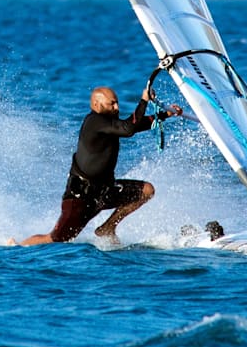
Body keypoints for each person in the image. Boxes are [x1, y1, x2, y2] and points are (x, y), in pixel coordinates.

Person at [15, 84, 181, 246]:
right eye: (111, 104)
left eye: (117, 103)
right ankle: (16, 247)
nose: (116, 107)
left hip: (105, 191)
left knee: (146, 191)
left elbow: (133, 126)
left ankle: (108, 228)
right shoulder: (94, 121)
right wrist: (143, 101)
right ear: (96, 104)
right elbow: (128, 129)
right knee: (56, 239)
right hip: (81, 197)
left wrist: (164, 114)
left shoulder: (109, 122)